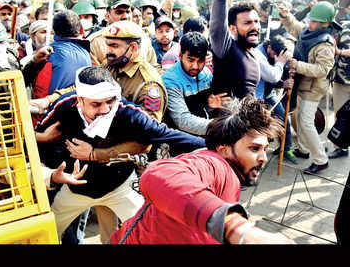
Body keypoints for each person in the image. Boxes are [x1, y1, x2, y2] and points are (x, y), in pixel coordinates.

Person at [35, 65, 207, 243]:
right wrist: (44, 142)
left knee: (149, 233)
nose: (105, 109)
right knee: (45, 234)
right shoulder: (64, 106)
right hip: (75, 188)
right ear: (80, 99)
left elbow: (164, 133)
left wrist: (210, 145)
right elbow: (33, 135)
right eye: (96, 104)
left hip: (119, 186)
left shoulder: (126, 111)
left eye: (109, 101)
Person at [110, 96, 295, 244]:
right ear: (224, 149)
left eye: (265, 149)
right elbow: (158, 175)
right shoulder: (215, 164)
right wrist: (239, 229)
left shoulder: (231, 180)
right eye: (254, 148)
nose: (263, 158)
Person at [279, 0, 336, 174]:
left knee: (305, 122)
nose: (309, 23)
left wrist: (298, 65)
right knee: (299, 118)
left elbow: (323, 69)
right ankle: (303, 149)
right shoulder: (309, 32)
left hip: (313, 88)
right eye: (310, 20)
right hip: (302, 83)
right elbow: (295, 28)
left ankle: (320, 159)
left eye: (314, 21)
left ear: (323, 24)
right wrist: (286, 16)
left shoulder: (326, 44)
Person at [162, 31, 229, 136]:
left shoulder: (206, 73)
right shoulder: (170, 80)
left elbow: (204, 108)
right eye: (190, 60)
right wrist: (221, 126)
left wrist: (210, 105)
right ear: (180, 56)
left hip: (203, 132)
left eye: (200, 61)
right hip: (179, 137)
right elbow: (182, 120)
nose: (195, 66)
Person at [102, 20, 167, 123]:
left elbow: (150, 130)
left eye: (114, 46)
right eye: (107, 45)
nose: (108, 51)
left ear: (133, 48)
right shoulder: (110, 65)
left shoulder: (149, 84)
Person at [22, 9, 91, 104]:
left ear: (54, 31)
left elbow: (36, 89)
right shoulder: (86, 53)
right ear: (81, 30)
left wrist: (34, 61)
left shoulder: (49, 54)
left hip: (49, 111)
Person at [209, 0, 261, 100]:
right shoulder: (227, 48)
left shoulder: (253, 53)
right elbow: (217, 25)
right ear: (232, 29)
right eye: (247, 23)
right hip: (228, 116)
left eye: (256, 21)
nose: (254, 27)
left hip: (247, 116)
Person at [254, 35, 297, 164]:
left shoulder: (278, 54)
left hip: (268, 93)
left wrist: (284, 80)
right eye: (273, 54)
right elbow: (270, 76)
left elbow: (277, 77)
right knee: (259, 125)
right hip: (257, 95)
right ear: (269, 47)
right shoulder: (258, 54)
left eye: (278, 56)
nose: (274, 57)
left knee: (284, 119)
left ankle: (286, 148)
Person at [87, 0, 159, 71]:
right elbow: (93, 75)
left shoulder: (143, 38)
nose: (125, 16)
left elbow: (153, 67)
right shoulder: (95, 42)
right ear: (108, 16)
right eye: (119, 12)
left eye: (128, 12)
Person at [327, 23, 350, 159]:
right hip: (340, 80)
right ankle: (340, 147)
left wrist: (341, 52)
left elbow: (338, 50)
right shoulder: (345, 27)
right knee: (339, 114)